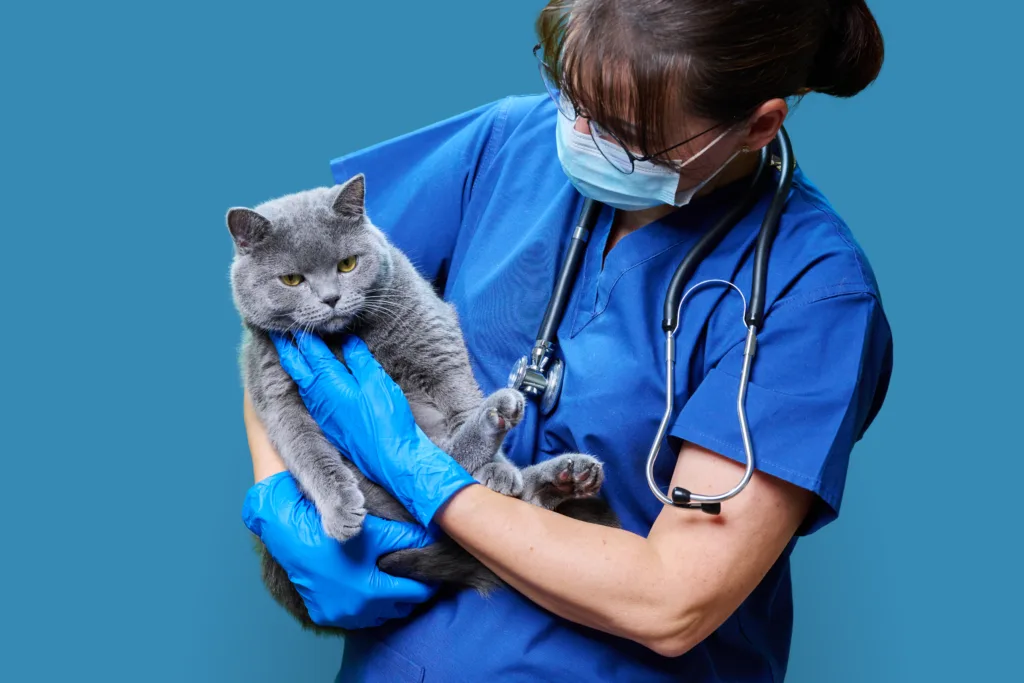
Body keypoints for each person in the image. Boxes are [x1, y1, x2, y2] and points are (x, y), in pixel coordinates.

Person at [239, 1, 894, 680]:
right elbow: (285, 311)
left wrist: (416, 471)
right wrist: (285, 495)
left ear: (757, 125)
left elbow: (674, 598)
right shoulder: (506, 144)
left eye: (625, 131)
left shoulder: (810, 292)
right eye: (572, 96)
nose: (578, 133)